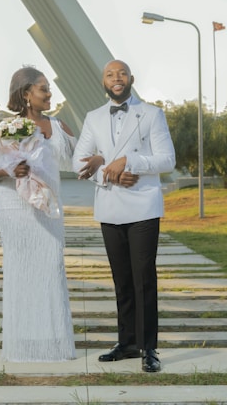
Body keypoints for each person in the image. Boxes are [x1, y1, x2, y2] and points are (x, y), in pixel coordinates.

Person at [72, 60, 175, 372]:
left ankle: (149, 348)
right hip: (110, 206)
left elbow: (166, 159)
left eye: (122, 73)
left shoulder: (152, 114)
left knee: (144, 277)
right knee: (122, 280)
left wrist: (129, 161)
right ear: (103, 81)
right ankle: (127, 342)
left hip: (144, 206)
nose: (116, 78)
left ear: (131, 78)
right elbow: (80, 162)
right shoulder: (93, 118)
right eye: (109, 74)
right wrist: (110, 172)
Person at [0, 66, 76, 362]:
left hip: (48, 207)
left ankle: (52, 341)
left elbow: (79, 159)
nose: (50, 94)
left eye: (48, 89)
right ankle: (22, 342)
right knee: (20, 272)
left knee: (51, 268)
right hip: (13, 206)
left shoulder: (59, 126)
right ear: (26, 94)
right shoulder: (5, 129)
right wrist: (14, 169)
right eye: (43, 89)